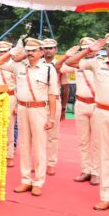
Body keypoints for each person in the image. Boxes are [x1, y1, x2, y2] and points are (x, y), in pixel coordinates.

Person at [0, 38, 58, 196]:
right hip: (22, 108)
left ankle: (38, 181)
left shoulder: (48, 69)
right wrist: (12, 53)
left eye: (33, 50)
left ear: (41, 52)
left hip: (39, 110)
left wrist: (51, 118)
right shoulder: (19, 67)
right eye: (28, 50)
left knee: (39, 147)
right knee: (24, 145)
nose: (30, 53)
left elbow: (52, 95)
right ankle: (25, 180)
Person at [64, 34, 109, 210]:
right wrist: (89, 50)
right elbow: (70, 63)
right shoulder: (97, 62)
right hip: (102, 111)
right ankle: (106, 195)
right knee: (104, 154)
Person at [58, 38, 99, 185]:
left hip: (97, 105)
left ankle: (96, 172)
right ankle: (85, 170)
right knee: (83, 141)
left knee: (97, 141)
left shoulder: (102, 63)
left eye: (90, 47)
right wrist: (68, 55)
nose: (88, 50)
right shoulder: (78, 64)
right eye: (84, 48)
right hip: (80, 103)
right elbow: (58, 67)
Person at [42, 38, 69, 175]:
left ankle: (51, 163)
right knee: (38, 135)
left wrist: (64, 107)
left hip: (55, 102)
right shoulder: (37, 64)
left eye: (51, 48)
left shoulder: (61, 66)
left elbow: (65, 87)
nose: (48, 50)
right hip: (39, 103)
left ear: (56, 50)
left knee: (53, 135)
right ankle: (40, 162)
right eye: (45, 48)